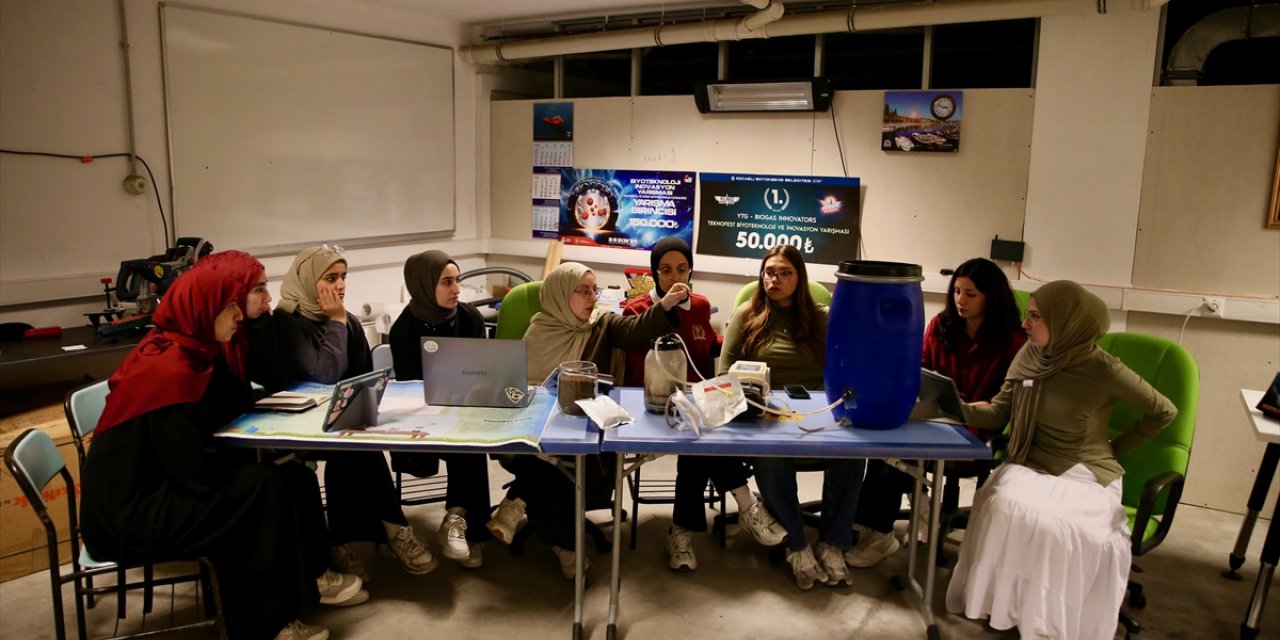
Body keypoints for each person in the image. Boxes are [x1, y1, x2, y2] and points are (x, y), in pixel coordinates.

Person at [80, 266, 366, 640]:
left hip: (159, 486)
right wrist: (256, 457)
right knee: (260, 489)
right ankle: (266, 626)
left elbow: (222, 417)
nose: (238, 316)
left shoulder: (192, 350)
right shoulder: (168, 371)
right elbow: (195, 474)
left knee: (289, 475)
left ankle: (304, 587)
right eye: (229, 307)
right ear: (202, 309)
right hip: (131, 514)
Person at [945, 280, 1177, 640]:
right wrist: (950, 408)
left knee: (1056, 528)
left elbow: (1163, 411)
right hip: (1030, 461)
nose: (1026, 324)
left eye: (1036, 317)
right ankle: (1009, 608)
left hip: (1083, 472)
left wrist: (1117, 448)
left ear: (1066, 322)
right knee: (1000, 503)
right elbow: (997, 413)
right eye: (1028, 315)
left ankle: (1046, 622)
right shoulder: (1029, 355)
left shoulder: (1103, 368)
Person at [485, 261, 686, 579]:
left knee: (564, 459)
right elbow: (516, 385)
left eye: (595, 290)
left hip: (592, 430)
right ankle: (567, 547)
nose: (592, 297)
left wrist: (664, 305)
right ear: (560, 294)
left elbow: (635, 333)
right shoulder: (539, 329)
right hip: (541, 423)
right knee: (551, 456)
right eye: (583, 290)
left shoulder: (604, 324)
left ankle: (517, 502)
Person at [257, 245, 436, 582]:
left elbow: (361, 378)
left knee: (356, 444)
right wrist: (336, 322)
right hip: (294, 428)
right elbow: (324, 373)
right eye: (330, 278)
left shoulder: (349, 321)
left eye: (343, 277)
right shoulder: (285, 322)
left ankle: (359, 537)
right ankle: (384, 531)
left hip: (336, 423)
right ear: (309, 281)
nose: (340, 285)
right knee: (349, 448)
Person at [847, 258, 1026, 568]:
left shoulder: (1013, 342)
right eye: (956, 291)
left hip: (976, 427)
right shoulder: (941, 325)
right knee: (884, 436)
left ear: (991, 296)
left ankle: (883, 528)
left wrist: (966, 409)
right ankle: (886, 523)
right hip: (935, 415)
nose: (960, 300)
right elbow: (921, 374)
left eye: (971, 294)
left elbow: (1005, 404)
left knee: (899, 454)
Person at [621, 237, 785, 571]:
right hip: (651, 407)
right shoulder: (637, 309)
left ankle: (681, 533)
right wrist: (664, 307)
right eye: (665, 270)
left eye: (681, 269)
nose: (674, 277)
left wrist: (746, 340)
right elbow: (632, 342)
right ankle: (747, 504)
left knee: (700, 440)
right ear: (654, 273)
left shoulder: (699, 305)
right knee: (701, 438)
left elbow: (709, 347)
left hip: (693, 404)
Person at [719, 244, 861, 590]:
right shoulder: (746, 315)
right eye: (769, 272)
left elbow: (848, 367)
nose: (775, 279)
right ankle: (797, 545)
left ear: (800, 278)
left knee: (853, 454)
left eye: (785, 273)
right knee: (771, 457)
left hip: (817, 411)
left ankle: (833, 544)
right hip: (765, 413)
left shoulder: (822, 318)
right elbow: (724, 373)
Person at [387, 250, 492, 568]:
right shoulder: (403, 329)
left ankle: (458, 520)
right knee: (463, 436)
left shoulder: (470, 318)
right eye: (446, 282)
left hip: (465, 406)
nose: (456, 289)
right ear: (423, 285)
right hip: (421, 416)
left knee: (469, 434)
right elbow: (409, 390)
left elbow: (483, 370)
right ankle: (463, 523)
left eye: (457, 280)